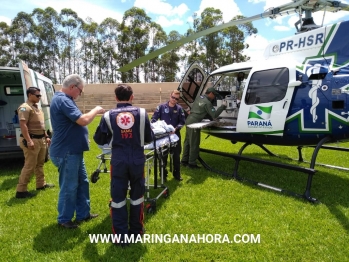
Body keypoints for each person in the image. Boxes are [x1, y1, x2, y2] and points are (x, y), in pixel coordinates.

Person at [93, 84, 153, 247]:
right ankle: (136, 231)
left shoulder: (107, 115)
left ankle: (120, 236)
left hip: (118, 160)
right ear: (132, 97)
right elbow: (149, 138)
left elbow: (99, 139)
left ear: (116, 98)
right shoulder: (142, 113)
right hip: (137, 160)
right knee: (137, 196)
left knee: (118, 198)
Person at [50, 74, 105, 229]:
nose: (80, 94)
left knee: (82, 183)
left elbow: (71, 124)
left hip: (73, 150)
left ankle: (83, 214)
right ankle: (64, 219)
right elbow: (83, 120)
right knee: (69, 186)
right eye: (80, 91)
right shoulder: (63, 100)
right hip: (67, 152)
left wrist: (81, 137)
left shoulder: (65, 100)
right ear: (73, 87)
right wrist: (96, 109)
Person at [15, 87, 54, 198]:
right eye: (37, 95)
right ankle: (21, 190)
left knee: (40, 164)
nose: (39, 97)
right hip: (32, 140)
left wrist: (46, 136)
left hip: (41, 139)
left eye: (40, 95)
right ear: (30, 95)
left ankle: (41, 184)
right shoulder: (25, 108)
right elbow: (23, 125)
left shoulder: (37, 108)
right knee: (29, 166)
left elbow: (41, 125)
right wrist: (28, 140)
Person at [181, 87, 227, 168]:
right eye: (214, 95)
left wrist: (210, 118)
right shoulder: (207, 103)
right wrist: (223, 106)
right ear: (211, 94)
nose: (214, 97)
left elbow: (203, 111)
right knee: (194, 143)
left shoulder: (199, 98)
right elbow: (215, 115)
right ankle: (192, 163)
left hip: (189, 120)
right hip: (194, 123)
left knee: (187, 141)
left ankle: (184, 160)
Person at [151, 90, 185, 181]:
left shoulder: (179, 109)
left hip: (175, 135)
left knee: (176, 155)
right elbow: (154, 119)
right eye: (173, 97)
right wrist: (154, 128)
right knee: (163, 156)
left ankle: (177, 174)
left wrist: (176, 128)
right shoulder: (161, 107)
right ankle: (163, 175)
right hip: (163, 136)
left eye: (176, 99)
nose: (174, 100)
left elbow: (182, 122)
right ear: (170, 96)